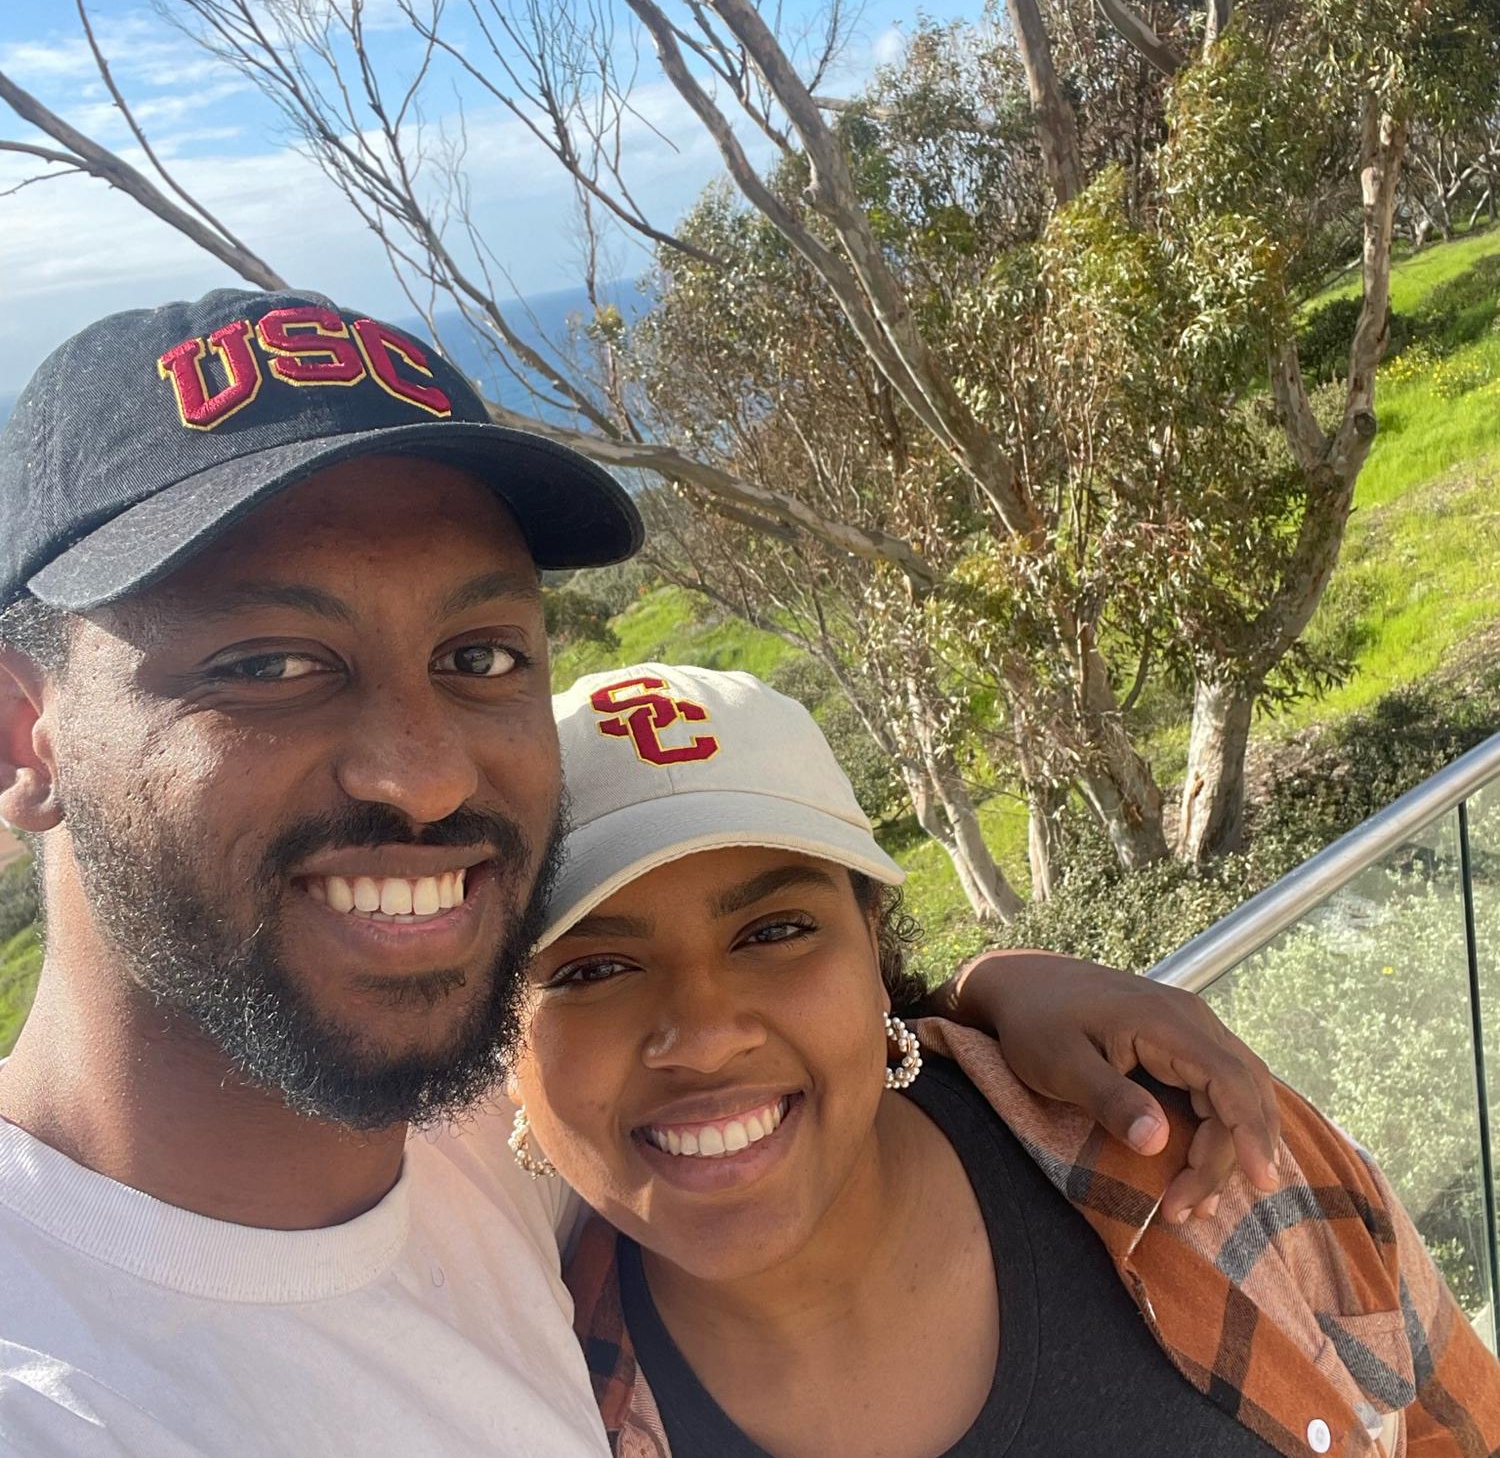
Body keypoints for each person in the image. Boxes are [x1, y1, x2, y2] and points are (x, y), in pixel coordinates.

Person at [0, 289, 1282, 1457]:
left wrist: (993, 996)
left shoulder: (463, 1145)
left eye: (482, 653)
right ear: (26, 739)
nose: (427, 774)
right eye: (270, 663)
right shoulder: (58, 1389)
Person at [507, 663, 1500, 1458]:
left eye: (774, 931)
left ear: (872, 940)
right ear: (493, 1042)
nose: (708, 1030)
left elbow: (1452, 1421)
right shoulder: (529, 1403)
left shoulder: (1196, 1151)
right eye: (594, 967)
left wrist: (988, 981)